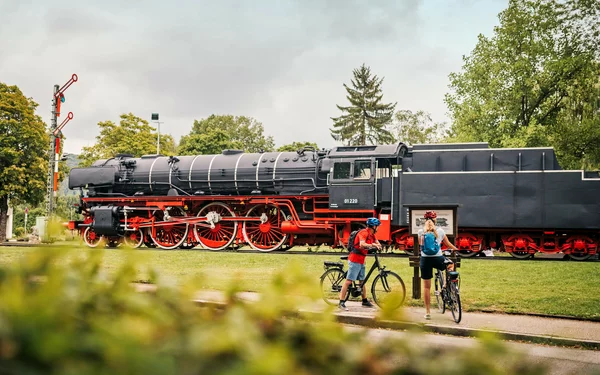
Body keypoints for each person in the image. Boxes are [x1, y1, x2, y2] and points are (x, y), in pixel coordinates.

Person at [418, 210, 458, 320]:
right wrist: (455, 249)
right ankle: (445, 284)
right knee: (450, 265)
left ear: (425, 220)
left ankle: (427, 312)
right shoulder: (440, 231)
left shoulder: (421, 232)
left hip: (425, 260)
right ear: (435, 220)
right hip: (438, 258)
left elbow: (421, 246)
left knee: (426, 287)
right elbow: (447, 244)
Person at [338, 217, 382, 311]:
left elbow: (377, 243)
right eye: (377, 226)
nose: (378, 228)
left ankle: (364, 300)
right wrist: (373, 245)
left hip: (362, 260)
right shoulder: (363, 233)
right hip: (354, 259)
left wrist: (378, 245)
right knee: (349, 281)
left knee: (362, 281)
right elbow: (362, 244)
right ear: (373, 226)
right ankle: (341, 302)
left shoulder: (372, 235)